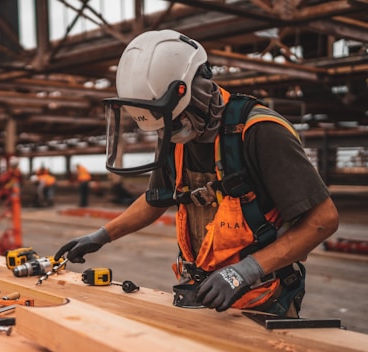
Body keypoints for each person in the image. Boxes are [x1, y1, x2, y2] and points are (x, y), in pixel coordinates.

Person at [54, 30, 339, 318]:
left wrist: (245, 271)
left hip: (263, 299)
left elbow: (323, 220)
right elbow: (156, 199)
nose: (171, 131)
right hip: (200, 293)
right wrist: (102, 235)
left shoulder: (260, 132)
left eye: (175, 121)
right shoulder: (174, 135)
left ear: (196, 91)